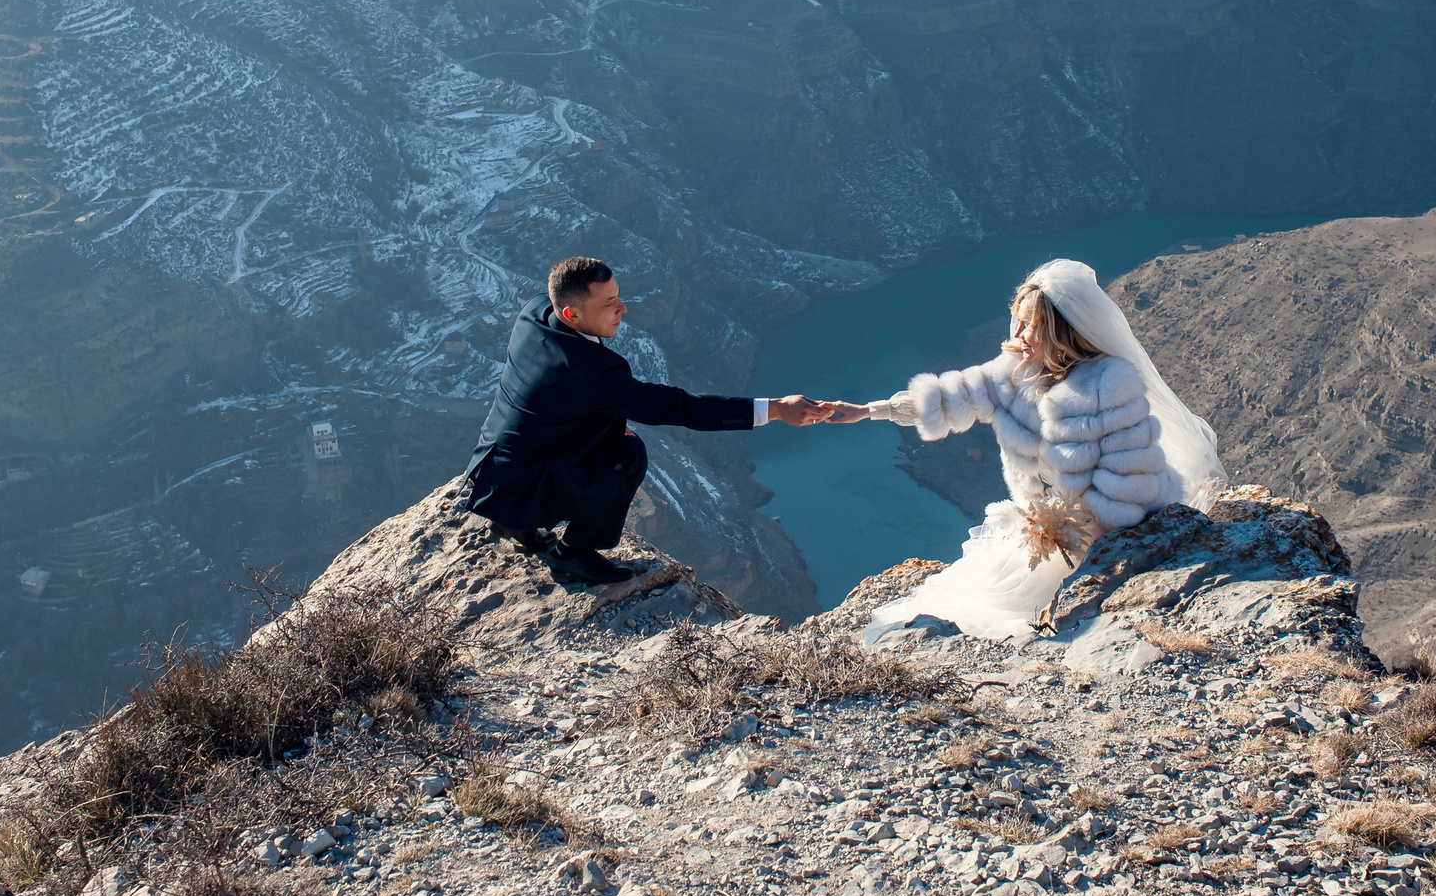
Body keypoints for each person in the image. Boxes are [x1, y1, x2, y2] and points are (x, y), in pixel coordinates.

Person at [835, 258, 1222, 641]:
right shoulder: (1016, 371)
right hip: (1045, 531)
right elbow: (951, 397)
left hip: (1112, 529)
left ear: (1060, 331)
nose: (1016, 333)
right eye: (1016, 320)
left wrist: (1079, 537)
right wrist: (867, 411)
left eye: (1029, 325)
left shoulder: (1111, 383)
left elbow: (1129, 479)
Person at [467, 255, 842, 584]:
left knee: (610, 427)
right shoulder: (592, 370)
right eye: (610, 302)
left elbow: (562, 399)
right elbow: (680, 407)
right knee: (626, 453)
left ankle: (515, 521)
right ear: (572, 314)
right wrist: (775, 408)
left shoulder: (535, 314)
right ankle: (571, 556)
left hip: (494, 470)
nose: (623, 309)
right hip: (524, 479)